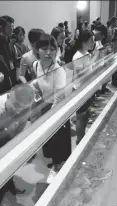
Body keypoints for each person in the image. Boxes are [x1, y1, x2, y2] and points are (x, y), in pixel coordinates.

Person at [31, 33, 71, 183]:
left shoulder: (59, 71)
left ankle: (57, 168)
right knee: (49, 143)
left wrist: (47, 117)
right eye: (44, 48)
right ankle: (56, 162)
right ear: (37, 50)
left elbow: (59, 99)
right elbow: (37, 83)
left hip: (57, 110)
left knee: (58, 142)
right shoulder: (36, 65)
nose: (48, 53)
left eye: (52, 49)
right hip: (45, 107)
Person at [0, 83, 35, 206]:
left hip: (8, 138)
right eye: (15, 105)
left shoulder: (25, 107)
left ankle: (10, 187)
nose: (18, 111)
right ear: (8, 96)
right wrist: (7, 131)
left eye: (22, 108)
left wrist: (14, 141)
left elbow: (20, 126)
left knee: (10, 168)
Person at [72, 30, 99, 144]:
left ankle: (82, 137)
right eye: (91, 40)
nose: (93, 43)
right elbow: (81, 76)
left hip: (87, 88)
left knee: (86, 113)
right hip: (80, 89)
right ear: (84, 42)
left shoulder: (86, 53)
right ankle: (79, 140)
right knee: (81, 116)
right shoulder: (78, 57)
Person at [0, 16, 17, 94]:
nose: (12, 29)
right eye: (9, 27)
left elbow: (13, 62)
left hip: (12, 79)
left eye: (13, 26)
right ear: (1, 27)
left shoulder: (10, 43)